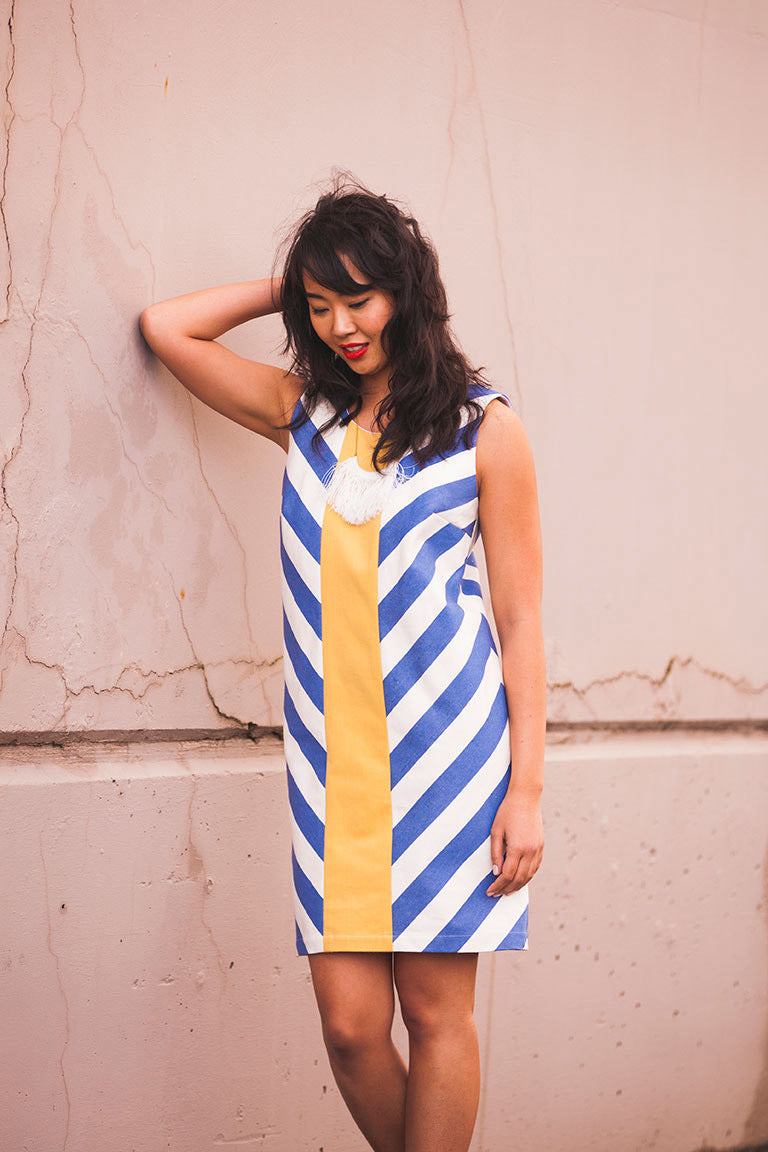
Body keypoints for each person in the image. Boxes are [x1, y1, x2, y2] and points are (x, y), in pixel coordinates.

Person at [139, 175, 546, 1152]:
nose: (339, 327)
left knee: (438, 1017)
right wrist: (284, 287)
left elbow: (522, 616)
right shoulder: (301, 418)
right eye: (318, 309)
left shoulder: (486, 432)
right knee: (352, 1027)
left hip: (452, 766)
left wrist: (524, 789)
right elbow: (167, 329)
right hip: (334, 773)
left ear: (408, 290)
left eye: (357, 299)